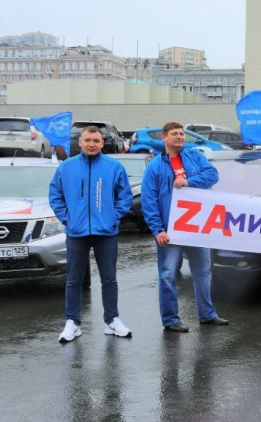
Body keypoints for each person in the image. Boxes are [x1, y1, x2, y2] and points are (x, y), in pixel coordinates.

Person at [141, 122, 228, 332]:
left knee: (203, 272)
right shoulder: (155, 165)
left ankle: (207, 314)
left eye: (181, 133)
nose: (179, 137)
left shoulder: (195, 156)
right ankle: (171, 320)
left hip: (196, 228)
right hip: (170, 231)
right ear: (164, 138)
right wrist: (158, 229)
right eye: (174, 134)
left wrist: (189, 182)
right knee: (168, 275)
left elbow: (212, 175)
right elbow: (149, 200)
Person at [49, 125, 133, 343]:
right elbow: (55, 195)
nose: (92, 144)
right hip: (76, 232)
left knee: (109, 279)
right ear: (80, 142)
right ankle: (72, 322)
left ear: (102, 143)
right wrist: (67, 218)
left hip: (106, 232)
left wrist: (113, 217)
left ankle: (112, 320)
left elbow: (124, 196)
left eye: (96, 140)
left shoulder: (113, 167)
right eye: (88, 140)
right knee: (74, 279)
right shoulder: (66, 168)